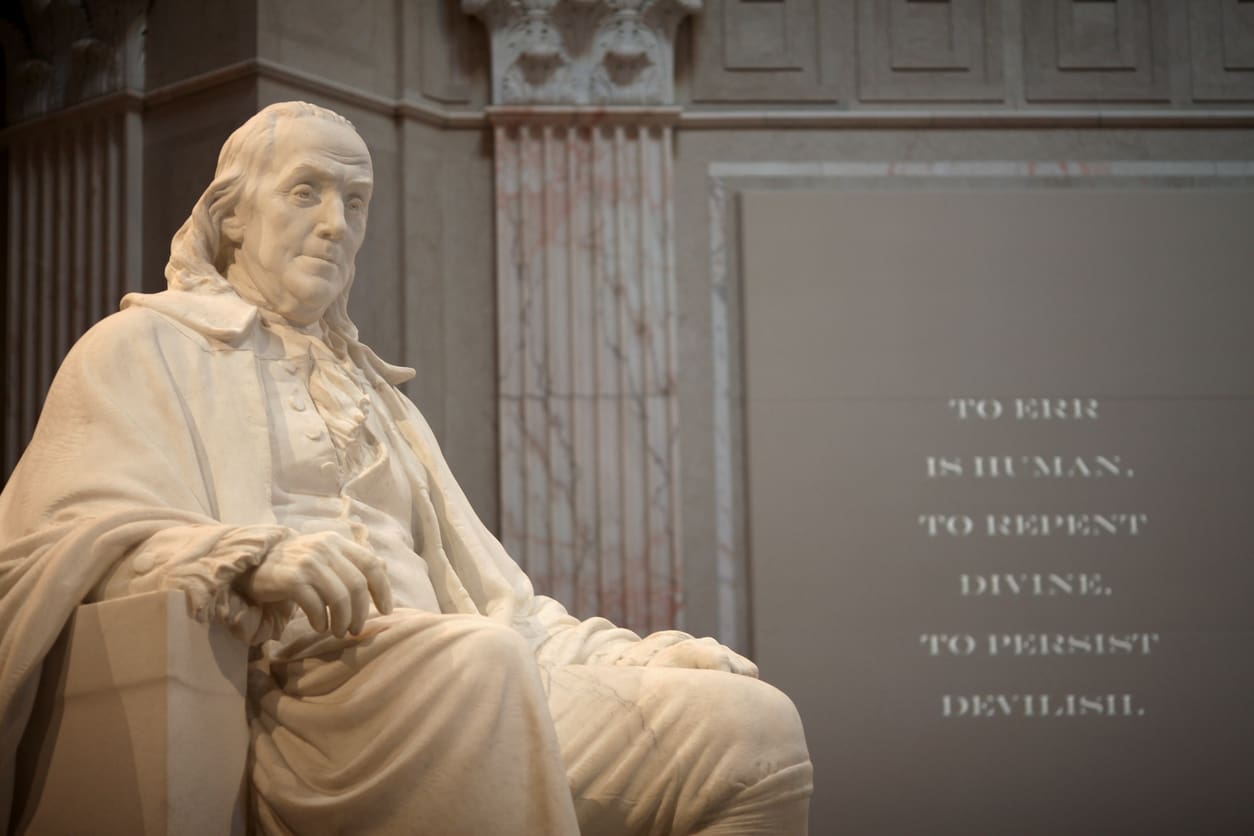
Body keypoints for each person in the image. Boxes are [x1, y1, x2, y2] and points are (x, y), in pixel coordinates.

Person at [0, 101, 812, 835]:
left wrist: (635, 656)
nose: (335, 224)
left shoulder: (383, 402)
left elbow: (502, 603)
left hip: (461, 674)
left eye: (354, 203)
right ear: (232, 216)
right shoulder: (143, 350)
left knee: (751, 730)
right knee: (477, 664)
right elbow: (48, 545)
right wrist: (247, 555)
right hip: (299, 700)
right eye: (306, 191)